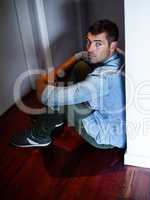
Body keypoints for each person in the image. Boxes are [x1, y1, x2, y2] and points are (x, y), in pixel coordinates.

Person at [11, 19, 126, 149]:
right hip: (115, 121)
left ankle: (38, 136)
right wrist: (75, 57)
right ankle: (55, 116)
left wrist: (40, 82)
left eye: (98, 44)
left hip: (106, 135)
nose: (90, 49)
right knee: (81, 67)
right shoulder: (120, 55)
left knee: (62, 100)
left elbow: (47, 97)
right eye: (88, 41)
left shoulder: (102, 78)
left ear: (112, 45)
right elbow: (83, 56)